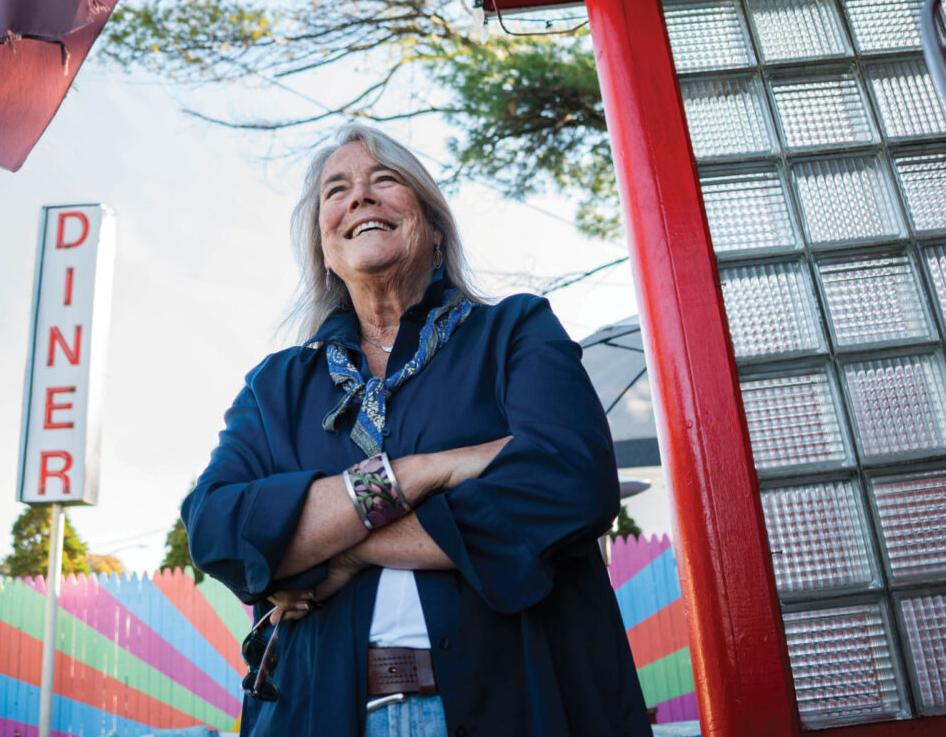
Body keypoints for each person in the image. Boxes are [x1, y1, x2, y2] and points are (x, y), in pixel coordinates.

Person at [182, 125, 649, 736]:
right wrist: (425, 471)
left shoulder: (515, 332)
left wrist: (338, 547)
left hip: (514, 707)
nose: (359, 197)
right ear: (324, 247)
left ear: (434, 227)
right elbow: (215, 528)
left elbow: (570, 482)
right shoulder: (276, 386)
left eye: (385, 179)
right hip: (319, 716)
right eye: (337, 190)